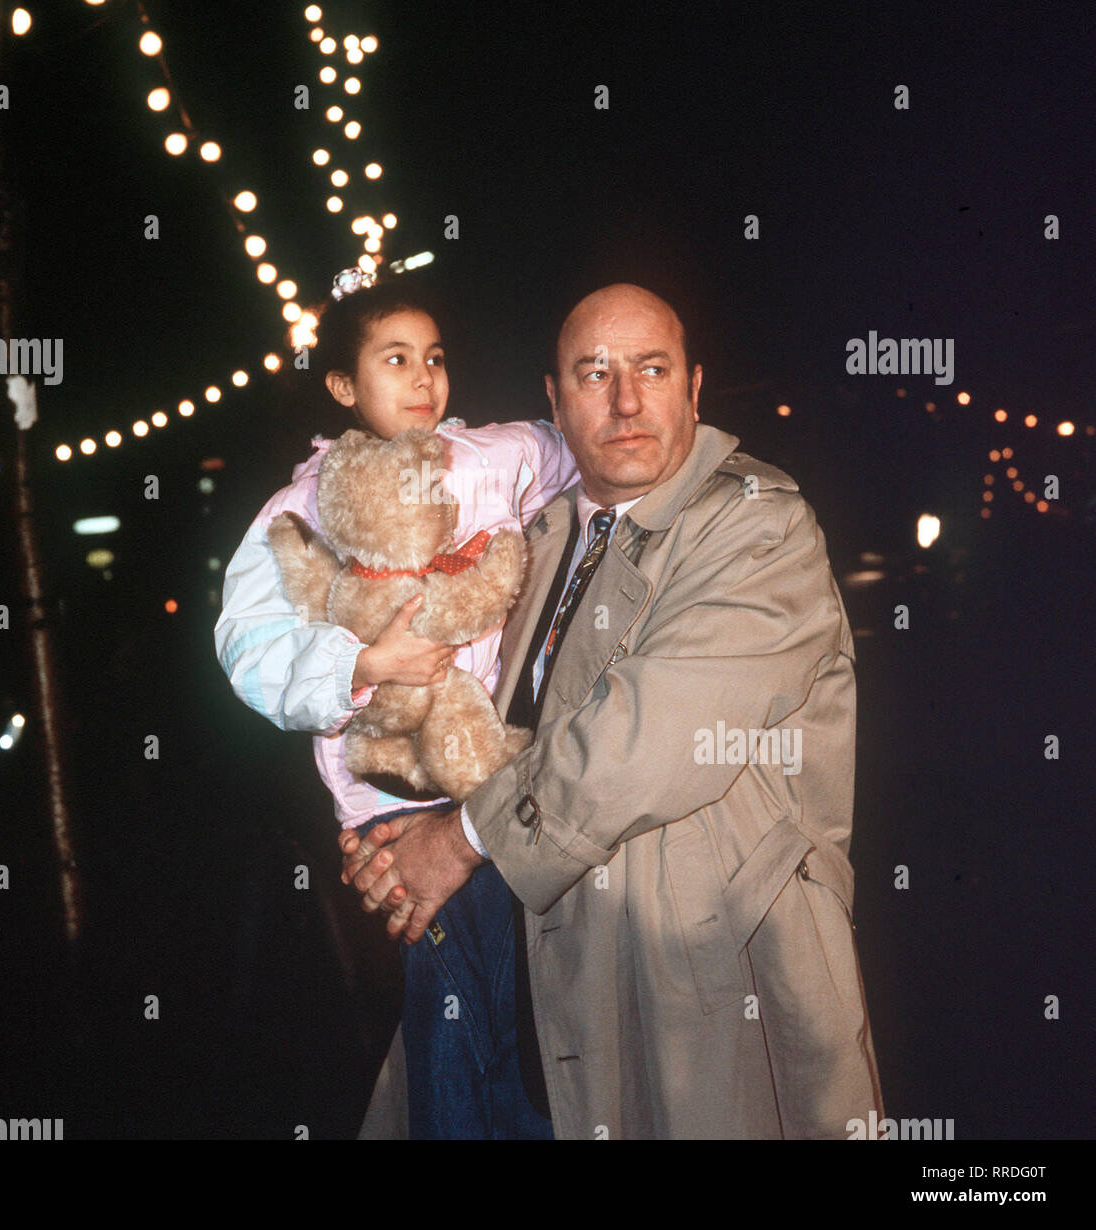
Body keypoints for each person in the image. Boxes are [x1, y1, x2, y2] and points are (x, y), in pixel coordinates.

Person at [342, 282, 885, 1139]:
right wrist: (391, 826)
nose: (626, 400)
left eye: (652, 370)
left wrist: (458, 841)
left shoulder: (760, 526)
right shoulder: (533, 534)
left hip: (695, 995)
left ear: (695, 389)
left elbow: (645, 736)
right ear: (553, 403)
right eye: (594, 374)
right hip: (526, 1006)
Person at [213, 267, 576, 1138]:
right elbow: (246, 643)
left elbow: (563, 450)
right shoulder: (304, 505)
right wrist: (361, 662)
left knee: (523, 1024)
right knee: (454, 1021)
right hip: (393, 802)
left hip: (492, 779)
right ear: (344, 385)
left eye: (436, 358)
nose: (424, 378)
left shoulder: (485, 458)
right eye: (397, 359)